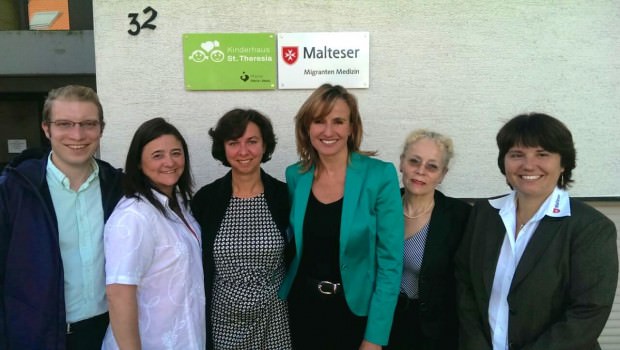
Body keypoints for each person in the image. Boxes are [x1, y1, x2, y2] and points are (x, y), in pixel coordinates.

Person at [455, 113, 618, 349]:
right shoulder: (484, 214)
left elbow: (588, 312)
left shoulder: (591, 228)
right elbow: (465, 284)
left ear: (563, 163)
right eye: (517, 155)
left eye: (542, 154)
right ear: (504, 162)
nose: (528, 165)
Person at [278, 83, 404, 349]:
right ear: (306, 128)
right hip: (302, 309)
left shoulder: (379, 176)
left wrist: (375, 337)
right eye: (319, 121)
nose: (328, 131)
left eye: (338, 121)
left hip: (356, 313)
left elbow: (391, 263)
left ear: (351, 127)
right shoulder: (295, 176)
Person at [0, 85, 123, 350]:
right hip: (38, 336)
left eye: (88, 124)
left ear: (101, 128)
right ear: (47, 129)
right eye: (64, 124)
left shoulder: (119, 188)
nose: (77, 135)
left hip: (107, 333)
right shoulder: (13, 190)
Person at [191, 109, 292, 349]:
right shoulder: (206, 200)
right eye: (233, 143)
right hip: (222, 319)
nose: (243, 151)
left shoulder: (285, 197)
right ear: (223, 148)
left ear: (265, 145)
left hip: (275, 319)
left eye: (252, 141)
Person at [102, 118, 205, 349]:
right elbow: (119, 294)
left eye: (176, 153)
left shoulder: (180, 206)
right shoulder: (134, 216)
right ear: (138, 162)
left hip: (184, 338)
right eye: (157, 155)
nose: (169, 162)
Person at [387, 129, 471, 349]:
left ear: (442, 174)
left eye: (432, 166)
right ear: (401, 163)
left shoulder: (460, 217)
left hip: (434, 334)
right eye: (414, 161)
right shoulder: (381, 208)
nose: (420, 171)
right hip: (383, 324)